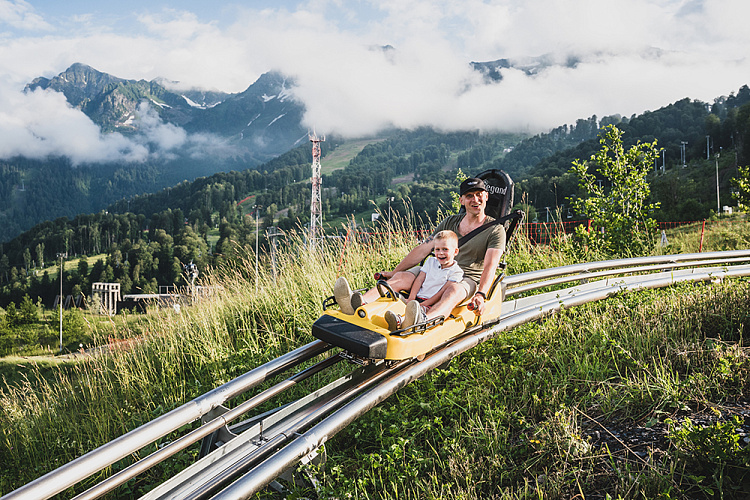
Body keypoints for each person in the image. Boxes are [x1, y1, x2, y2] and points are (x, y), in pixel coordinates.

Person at [334, 177, 506, 330]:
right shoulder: (450, 222)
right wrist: (394, 272)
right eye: (469, 196)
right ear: (462, 200)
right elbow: (423, 249)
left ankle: (421, 319)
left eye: (479, 194)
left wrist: (481, 294)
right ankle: (357, 303)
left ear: (486, 196)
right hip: (436, 267)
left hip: (466, 277)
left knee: (453, 291)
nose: (475, 199)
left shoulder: (495, 230)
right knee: (401, 277)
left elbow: (490, 266)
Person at [383, 230, 463, 330]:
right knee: (397, 298)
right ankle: (378, 308)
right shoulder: (431, 261)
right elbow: (419, 280)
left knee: (420, 310)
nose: (440, 253)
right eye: (437, 249)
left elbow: (442, 292)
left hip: (431, 302)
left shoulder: (456, 272)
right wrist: (412, 297)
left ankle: (400, 321)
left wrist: (425, 303)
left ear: (455, 251)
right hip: (418, 297)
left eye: (445, 249)